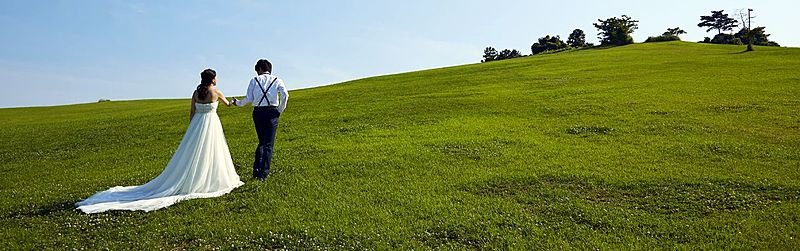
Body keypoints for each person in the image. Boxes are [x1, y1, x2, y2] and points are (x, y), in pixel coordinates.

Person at [76, 69, 243, 213]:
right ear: (212, 79)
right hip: (211, 124)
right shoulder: (217, 92)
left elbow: (192, 112)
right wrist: (235, 102)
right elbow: (228, 104)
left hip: (197, 125)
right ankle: (209, 179)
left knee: (191, 152)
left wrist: (191, 128)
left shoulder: (196, 92)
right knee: (212, 150)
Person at [232, 59, 288, 180]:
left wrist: (238, 103)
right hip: (272, 112)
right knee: (269, 144)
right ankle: (263, 173)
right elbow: (285, 95)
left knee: (262, 141)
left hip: (258, 112)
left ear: (260, 69)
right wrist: (280, 109)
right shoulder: (277, 80)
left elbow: (248, 98)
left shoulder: (254, 80)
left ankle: (256, 169)